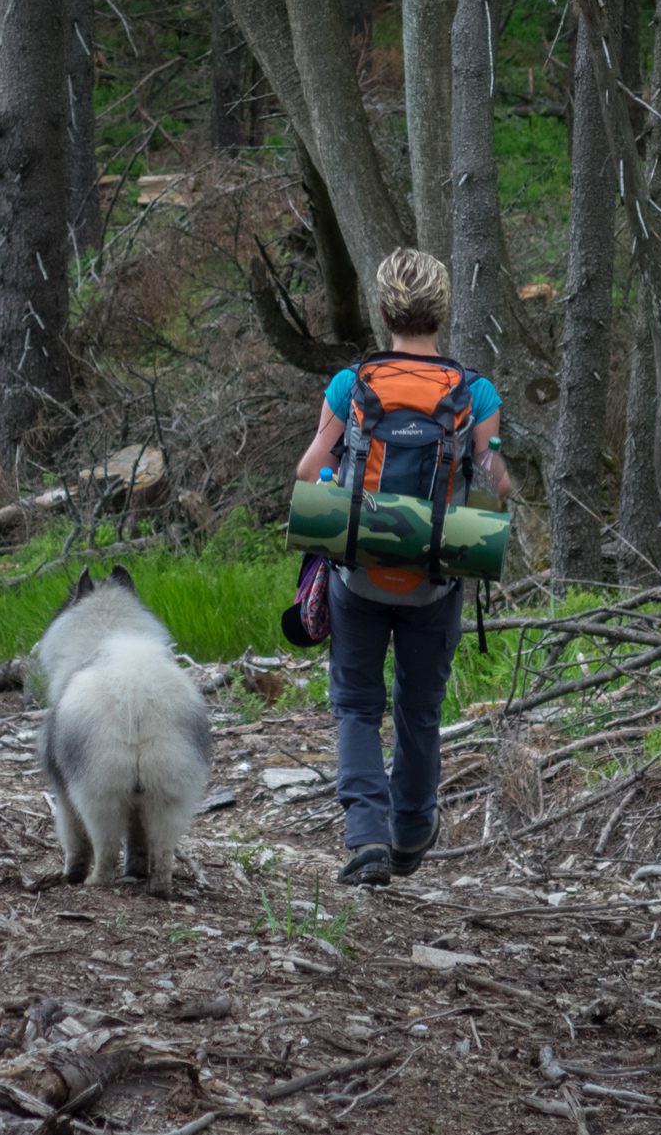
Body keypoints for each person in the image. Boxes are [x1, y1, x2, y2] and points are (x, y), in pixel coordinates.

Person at [294, 247, 510, 887]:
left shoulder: (350, 385)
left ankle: (365, 835)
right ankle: (412, 830)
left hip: (356, 572)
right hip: (435, 579)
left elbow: (310, 474)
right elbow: (493, 488)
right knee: (420, 705)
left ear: (383, 309)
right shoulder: (476, 392)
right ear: (442, 309)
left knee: (357, 704)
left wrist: (346, 492)